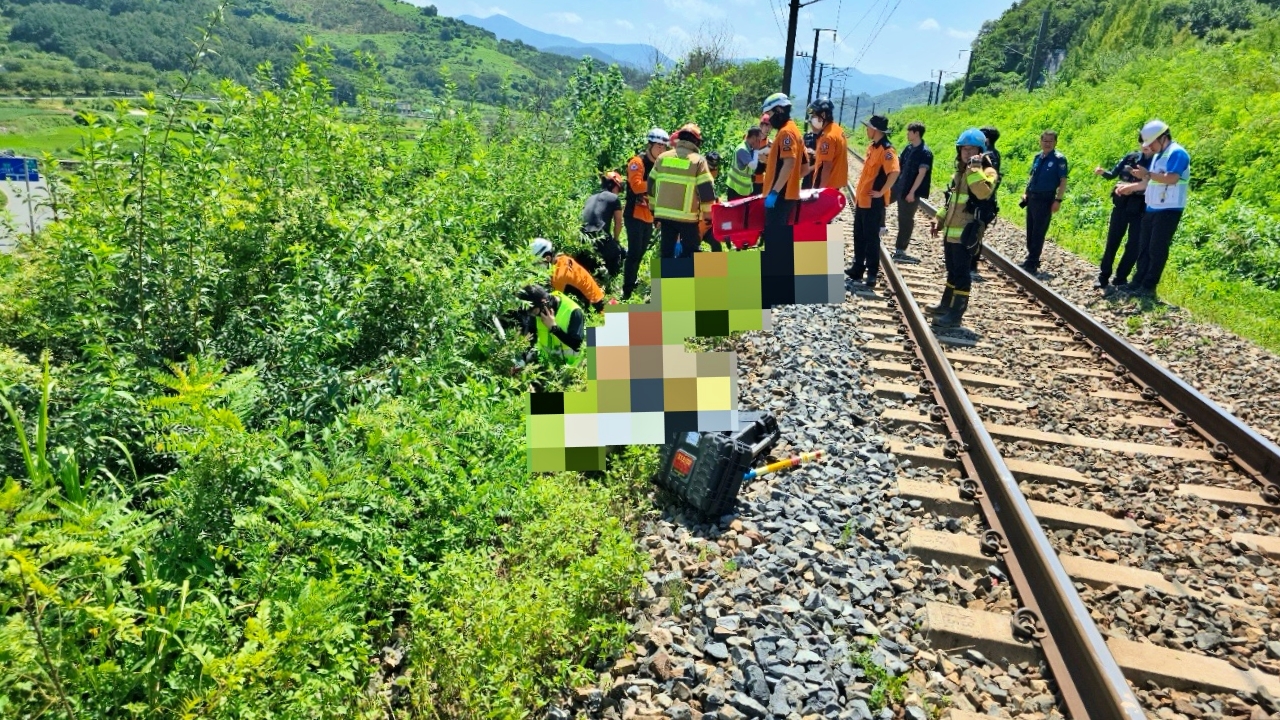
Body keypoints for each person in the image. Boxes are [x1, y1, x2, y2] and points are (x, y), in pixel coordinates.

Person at [928, 128, 999, 328]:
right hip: (951, 231)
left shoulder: (988, 171)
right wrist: (938, 219)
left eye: (972, 149)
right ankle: (945, 305)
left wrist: (973, 169)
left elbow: (982, 193)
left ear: (981, 150)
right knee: (952, 270)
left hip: (966, 233)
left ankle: (955, 315)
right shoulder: (959, 172)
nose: (967, 153)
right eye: (963, 149)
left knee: (962, 273)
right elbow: (951, 202)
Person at [1118, 119, 1190, 299]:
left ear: (1162, 138)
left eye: (1151, 143)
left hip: (1169, 208)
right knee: (1144, 247)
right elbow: (1150, 181)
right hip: (1152, 207)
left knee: (1156, 248)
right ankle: (1137, 282)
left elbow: (1172, 178)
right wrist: (1130, 187)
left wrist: (1147, 174)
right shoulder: (1158, 155)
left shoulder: (1177, 153)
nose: (1149, 147)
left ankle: (1149, 286)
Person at [845, 115, 900, 290]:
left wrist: (882, 192)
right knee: (859, 235)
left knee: (871, 238)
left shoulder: (887, 150)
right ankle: (858, 268)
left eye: (868, 127)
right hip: (863, 200)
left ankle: (872, 273)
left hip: (873, 202)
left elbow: (895, 172)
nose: (867, 130)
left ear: (875, 130)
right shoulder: (872, 147)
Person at [1093, 133, 1153, 290]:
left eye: (1150, 142)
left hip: (1141, 209)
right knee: (1112, 241)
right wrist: (1102, 172)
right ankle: (1103, 276)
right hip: (1121, 206)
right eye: (1143, 141)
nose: (1145, 145)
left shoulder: (1157, 164)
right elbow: (1112, 174)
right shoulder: (1131, 157)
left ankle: (1121, 278)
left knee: (1134, 246)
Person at [760, 93, 804, 307]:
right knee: (780, 239)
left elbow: (789, 163)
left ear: (779, 111)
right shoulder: (794, 130)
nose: (768, 118)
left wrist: (775, 191)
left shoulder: (786, 132)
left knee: (775, 239)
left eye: (769, 113)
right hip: (786, 194)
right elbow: (803, 166)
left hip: (781, 196)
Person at [649, 123, 716, 259]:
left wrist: (653, 210)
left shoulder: (662, 158)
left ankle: (666, 279)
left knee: (666, 254)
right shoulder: (698, 161)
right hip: (688, 218)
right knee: (690, 254)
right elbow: (706, 189)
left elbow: (651, 183)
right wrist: (708, 216)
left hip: (665, 216)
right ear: (696, 142)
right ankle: (686, 279)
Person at [621, 128, 669, 300]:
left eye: (664, 147)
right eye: (658, 146)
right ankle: (626, 290)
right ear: (650, 144)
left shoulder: (660, 164)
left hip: (649, 216)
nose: (661, 150)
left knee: (641, 253)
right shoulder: (637, 162)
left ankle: (631, 283)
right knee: (634, 253)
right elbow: (636, 186)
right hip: (633, 214)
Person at [1020, 130, 1068, 274]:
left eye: (1050, 141)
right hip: (1032, 197)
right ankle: (1031, 257)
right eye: (1045, 140)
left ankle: (1033, 262)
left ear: (1055, 143)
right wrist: (1025, 192)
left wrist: (1058, 200)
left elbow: (1063, 181)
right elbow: (1031, 177)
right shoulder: (1037, 157)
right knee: (1030, 229)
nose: (1047, 143)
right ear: (1040, 142)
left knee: (1039, 232)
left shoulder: (1059, 159)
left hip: (1046, 198)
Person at [891, 121, 932, 260]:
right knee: (878, 203)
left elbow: (921, 174)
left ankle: (900, 250)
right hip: (898, 187)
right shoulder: (908, 149)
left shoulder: (925, 153)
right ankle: (877, 229)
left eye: (909, 132)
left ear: (916, 133)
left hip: (909, 191)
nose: (907, 134)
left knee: (905, 220)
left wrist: (912, 192)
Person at [517, 284, 585, 367]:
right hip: (546, 366)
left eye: (534, 312)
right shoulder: (536, 311)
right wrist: (522, 359)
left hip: (570, 368)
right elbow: (530, 334)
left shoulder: (574, 311)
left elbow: (577, 345)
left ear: (543, 302)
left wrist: (554, 328)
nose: (534, 316)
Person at [531, 238, 605, 313]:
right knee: (615, 311)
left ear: (547, 258)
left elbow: (556, 300)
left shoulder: (558, 276)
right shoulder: (562, 258)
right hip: (599, 296)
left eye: (537, 263)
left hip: (596, 306)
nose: (536, 266)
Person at [580, 171, 625, 279]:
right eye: (618, 189)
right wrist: (616, 240)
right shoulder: (614, 199)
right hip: (600, 237)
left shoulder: (591, 197)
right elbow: (619, 222)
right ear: (613, 185)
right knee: (618, 253)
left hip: (582, 238)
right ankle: (610, 284)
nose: (618, 193)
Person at [970, 126, 1002, 275]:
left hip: (983, 201)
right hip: (983, 201)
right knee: (974, 231)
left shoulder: (988, 156)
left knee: (975, 232)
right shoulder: (993, 154)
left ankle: (972, 266)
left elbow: (986, 181)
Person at [810, 97, 849, 191]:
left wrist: (821, 191)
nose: (812, 119)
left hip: (828, 184)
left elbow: (827, 166)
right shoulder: (837, 129)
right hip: (836, 182)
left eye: (814, 115)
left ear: (823, 115)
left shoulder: (827, 137)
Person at [726, 127, 767, 201]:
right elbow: (753, 166)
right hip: (736, 189)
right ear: (754, 138)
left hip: (742, 190)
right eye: (759, 139)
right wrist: (756, 150)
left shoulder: (748, 148)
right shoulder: (742, 149)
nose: (760, 141)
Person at [698, 151, 724, 252]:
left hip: (708, 224)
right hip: (697, 223)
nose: (713, 171)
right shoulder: (698, 174)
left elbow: (712, 195)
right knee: (694, 250)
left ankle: (717, 267)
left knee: (716, 246)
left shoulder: (711, 178)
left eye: (715, 168)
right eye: (711, 168)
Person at [753, 113, 773, 196]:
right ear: (761, 125)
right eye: (766, 125)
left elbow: (772, 165)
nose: (768, 128)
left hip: (760, 180)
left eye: (770, 126)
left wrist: (766, 160)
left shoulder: (770, 144)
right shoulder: (750, 138)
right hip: (746, 179)